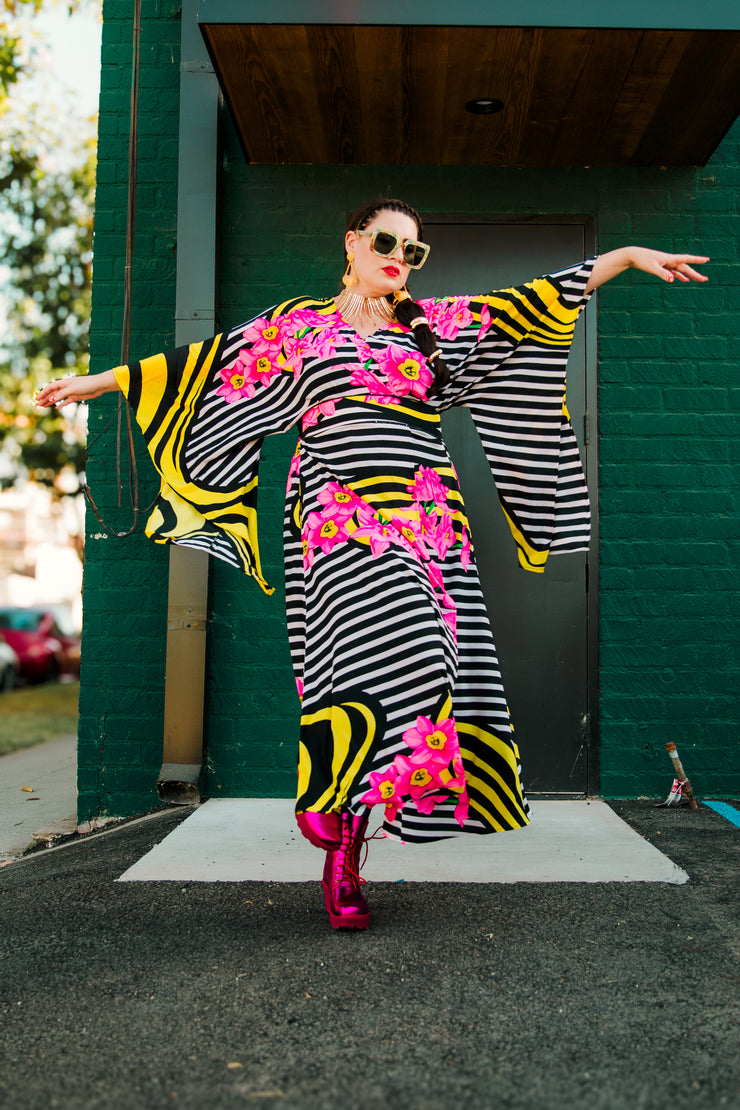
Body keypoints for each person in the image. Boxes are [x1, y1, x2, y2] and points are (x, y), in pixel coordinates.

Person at [36, 198, 708, 930]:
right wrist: (98, 383)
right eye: (386, 242)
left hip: (426, 516)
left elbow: (534, 303)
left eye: (413, 251)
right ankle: (339, 827)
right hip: (333, 513)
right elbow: (203, 365)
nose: (398, 256)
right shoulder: (296, 324)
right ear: (353, 241)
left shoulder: (435, 326)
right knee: (360, 659)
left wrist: (628, 258)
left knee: (425, 657)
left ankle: (343, 833)